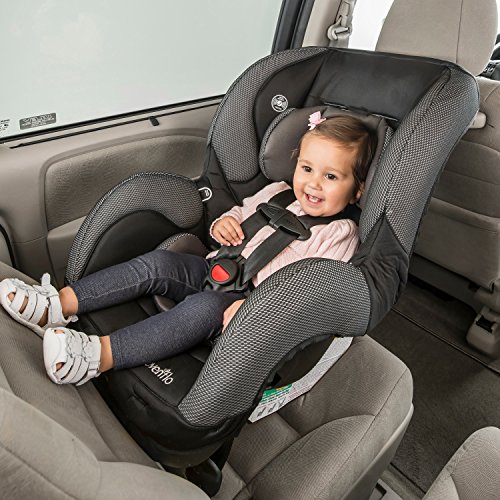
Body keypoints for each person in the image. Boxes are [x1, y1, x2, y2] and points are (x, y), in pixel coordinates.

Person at [0, 113, 377, 386]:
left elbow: (313, 292)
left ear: (357, 190)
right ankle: (57, 304)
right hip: (215, 267)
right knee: (158, 263)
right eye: (307, 169)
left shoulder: (341, 232)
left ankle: (96, 356)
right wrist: (223, 224)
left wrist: (259, 313)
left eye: (331, 176)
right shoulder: (277, 192)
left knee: (201, 309)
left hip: (246, 303)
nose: (313, 184)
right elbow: (240, 213)